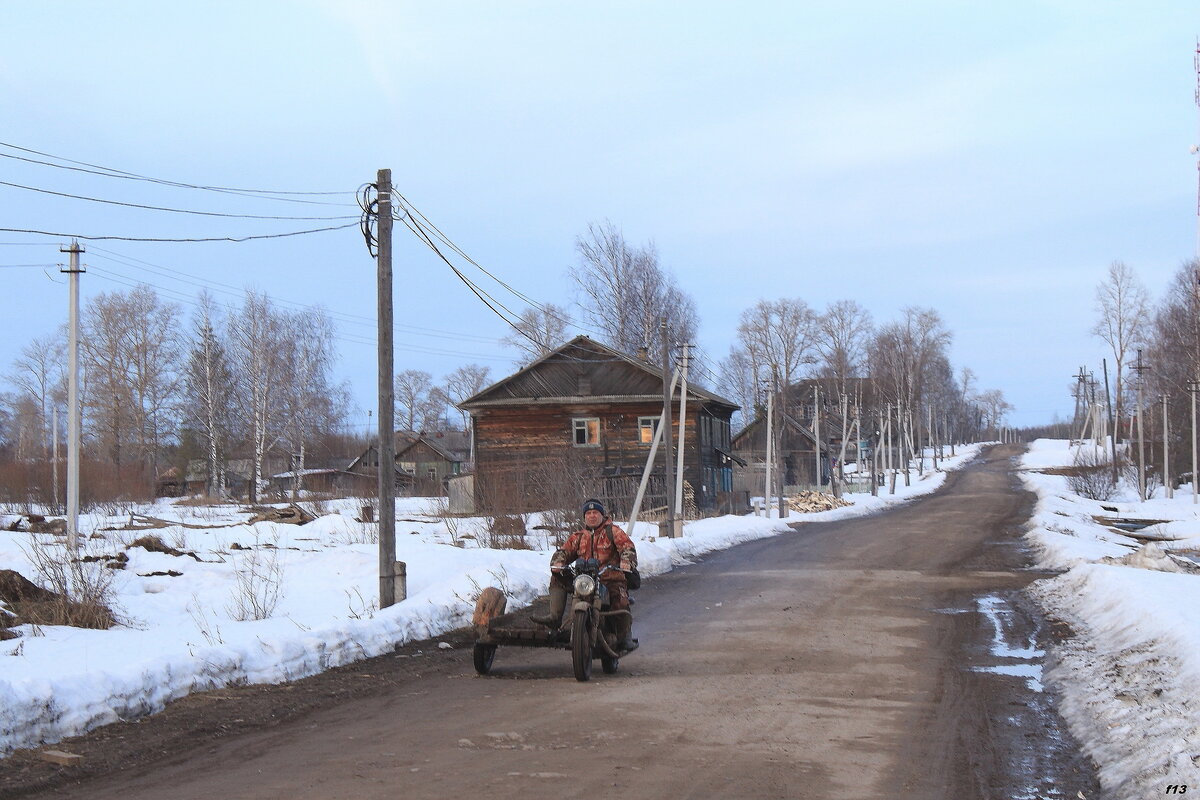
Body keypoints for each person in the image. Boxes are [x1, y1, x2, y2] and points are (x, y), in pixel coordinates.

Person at [531, 498, 638, 652]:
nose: (592, 516)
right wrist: (559, 562)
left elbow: (628, 548)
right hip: (584, 579)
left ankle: (624, 636)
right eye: (588, 513)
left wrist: (626, 561)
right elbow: (564, 551)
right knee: (557, 577)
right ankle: (554, 618)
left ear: (602, 515)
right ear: (584, 517)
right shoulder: (579, 536)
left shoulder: (614, 532)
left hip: (609, 579)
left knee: (621, 600)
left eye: (595, 512)